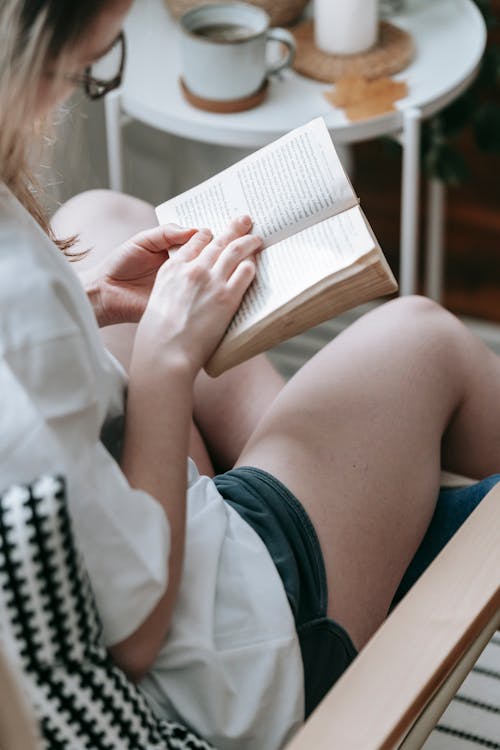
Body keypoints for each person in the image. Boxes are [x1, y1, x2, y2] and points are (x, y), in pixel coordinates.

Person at [1, 1, 499, 748]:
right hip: (223, 662)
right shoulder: (24, 300)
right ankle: (403, 528)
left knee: (101, 213)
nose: (77, 90)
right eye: (83, 70)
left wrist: (92, 302)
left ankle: (368, 498)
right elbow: (133, 637)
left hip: (138, 525)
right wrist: (169, 356)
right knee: (420, 336)